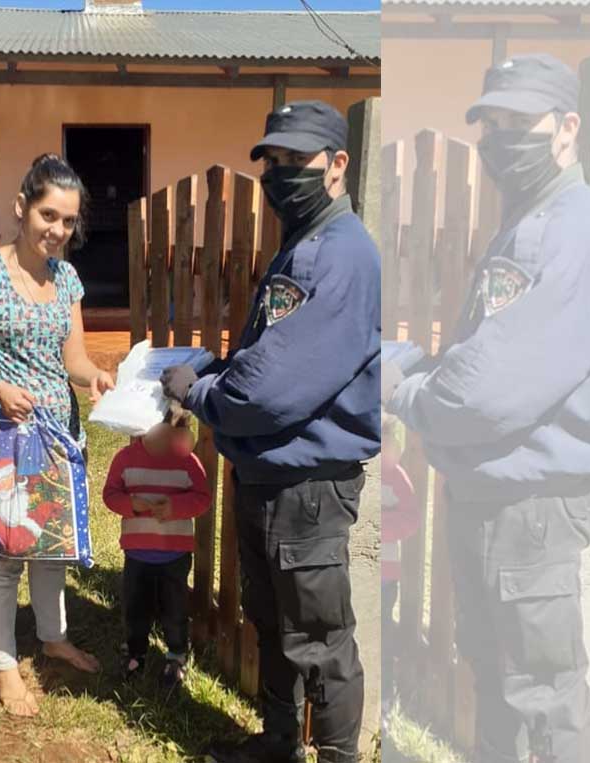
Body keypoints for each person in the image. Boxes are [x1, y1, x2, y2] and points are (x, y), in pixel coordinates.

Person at [382, 53, 590, 763]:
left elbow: (478, 394)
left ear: (567, 127)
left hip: (530, 511)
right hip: (503, 503)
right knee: (500, 681)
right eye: (492, 123)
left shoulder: (562, 233)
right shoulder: (533, 220)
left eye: (521, 122)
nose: (500, 139)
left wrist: (407, 388)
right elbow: (484, 354)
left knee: (540, 696)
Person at [162, 100, 381, 763]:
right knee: (275, 624)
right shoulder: (305, 245)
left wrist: (198, 390)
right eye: (274, 161)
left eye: (296, 161)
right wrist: (212, 366)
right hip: (272, 479)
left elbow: (267, 392)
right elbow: (270, 356)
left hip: (306, 488)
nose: (281, 174)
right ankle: (280, 742)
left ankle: (337, 755)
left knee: (318, 638)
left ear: (337, 165)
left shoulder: (335, 255)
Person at [0, 153, 116, 717]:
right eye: (48, 215)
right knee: (5, 556)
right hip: (1, 444)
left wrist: (95, 377)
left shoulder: (67, 279)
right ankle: (5, 664)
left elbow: (74, 357)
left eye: (68, 221)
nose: (57, 231)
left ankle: (53, 637)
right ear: (21, 207)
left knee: (50, 548)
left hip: (58, 441)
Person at [102, 406, 211, 688]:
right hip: (137, 553)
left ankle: (176, 654)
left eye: (173, 437)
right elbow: (111, 495)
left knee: (174, 609)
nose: (166, 445)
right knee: (136, 607)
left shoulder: (187, 462)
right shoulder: (125, 460)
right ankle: (135, 650)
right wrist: (131, 505)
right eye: (160, 437)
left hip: (174, 555)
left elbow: (202, 499)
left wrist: (175, 507)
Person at [378, 414, 417, 718]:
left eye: (392, 446)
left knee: (385, 634)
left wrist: (381, 526)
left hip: (387, 575)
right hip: (367, 571)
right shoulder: (369, 476)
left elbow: (411, 519)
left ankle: (386, 696)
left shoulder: (399, 479)